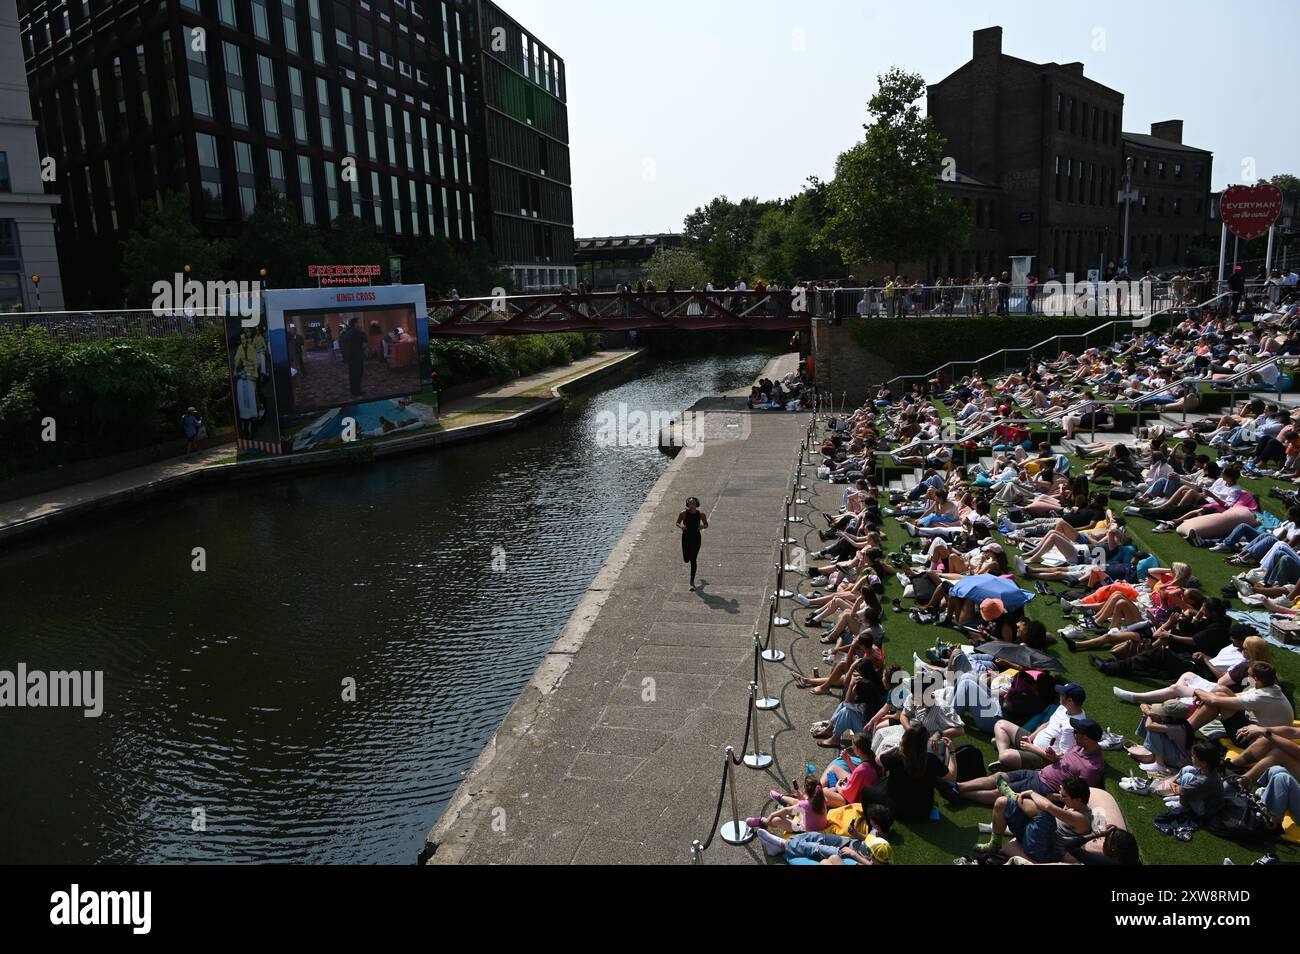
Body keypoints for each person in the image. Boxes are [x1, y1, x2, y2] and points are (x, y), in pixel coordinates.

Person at [977, 774, 1093, 862]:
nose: (1061, 798)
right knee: (1001, 802)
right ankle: (994, 844)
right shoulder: (1073, 805)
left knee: (1046, 812)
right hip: (1035, 835)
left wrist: (1032, 792)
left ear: (1078, 800)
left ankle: (1012, 795)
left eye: (1064, 796)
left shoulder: (1081, 819)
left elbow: (1048, 806)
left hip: (1043, 850)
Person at [676, 497, 708, 591]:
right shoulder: (683, 513)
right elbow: (677, 522)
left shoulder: (701, 514)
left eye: (693, 503)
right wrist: (681, 526)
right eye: (690, 503)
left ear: (696, 504)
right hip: (686, 538)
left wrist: (702, 526)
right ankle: (703, 584)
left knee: (693, 559)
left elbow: (706, 524)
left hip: (696, 538)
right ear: (687, 504)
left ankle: (692, 582)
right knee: (686, 559)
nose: (692, 505)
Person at [340, 316, 368, 397]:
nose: (361, 324)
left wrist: (345, 357)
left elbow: (343, 345)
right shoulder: (359, 332)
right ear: (356, 324)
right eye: (359, 322)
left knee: (352, 374)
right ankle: (358, 391)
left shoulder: (345, 333)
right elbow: (365, 344)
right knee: (359, 374)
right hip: (358, 357)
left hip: (349, 357)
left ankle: (353, 390)